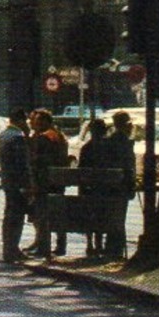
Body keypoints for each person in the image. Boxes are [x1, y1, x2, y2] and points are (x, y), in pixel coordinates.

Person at [27, 109, 70, 257]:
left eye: (38, 122)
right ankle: (60, 245)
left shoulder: (44, 138)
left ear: (46, 122)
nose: (35, 125)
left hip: (44, 181)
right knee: (58, 213)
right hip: (58, 180)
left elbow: (37, 161)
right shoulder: (59, 135)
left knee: (43, 214)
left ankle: (43, 247)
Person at [76, 117, 119, 257]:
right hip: (104, 187)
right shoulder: (109, 146)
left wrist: (82, 186)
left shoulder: (87, 147)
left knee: (89, 217)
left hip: (89, 187)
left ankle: (90, 245)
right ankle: (99, 244)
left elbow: (81, 169)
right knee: (102, 216)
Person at [0, 107, 33, 263]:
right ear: (21, 120)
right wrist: (27, 185)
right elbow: (22, 165)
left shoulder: (3, 135)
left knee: (9, 216)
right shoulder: (18, 137)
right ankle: (13, 249)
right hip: (18, 183)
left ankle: (8, 248)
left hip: (7, 181)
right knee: (17, 218)